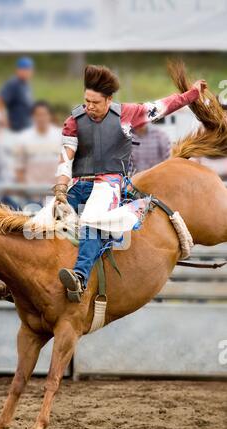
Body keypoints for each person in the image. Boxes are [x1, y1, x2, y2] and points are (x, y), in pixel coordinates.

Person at [54, 64, 207, 302]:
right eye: (86, 101)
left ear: (108, 100)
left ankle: (80, 277)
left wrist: (192, 94)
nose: (89, 107)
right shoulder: (73, 121)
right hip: (78, 184)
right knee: (43, 220)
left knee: (93, 222)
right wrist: (61, 187)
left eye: (95, 102)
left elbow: (163, 106)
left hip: (109, 183)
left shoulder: (127, 114)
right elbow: (66, 156)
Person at [16, 100, 62, 206]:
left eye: (44, 114)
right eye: (38, 115)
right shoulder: (24, 138)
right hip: (32, 195)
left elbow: (66, 164)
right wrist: (25, 192)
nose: (41, 118)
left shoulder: (60, 136)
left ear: (50, 116)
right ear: (33, 116)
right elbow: (19, 168)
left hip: (54, 194)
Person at [0, 57, 34, 132]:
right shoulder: (13, 83)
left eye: (29, 69)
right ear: (18, 70)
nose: (27, 72)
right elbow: (1, 99)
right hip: (15, 128)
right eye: (24, 69)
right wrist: (3, 118)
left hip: (27, 126)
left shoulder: (26, 84)